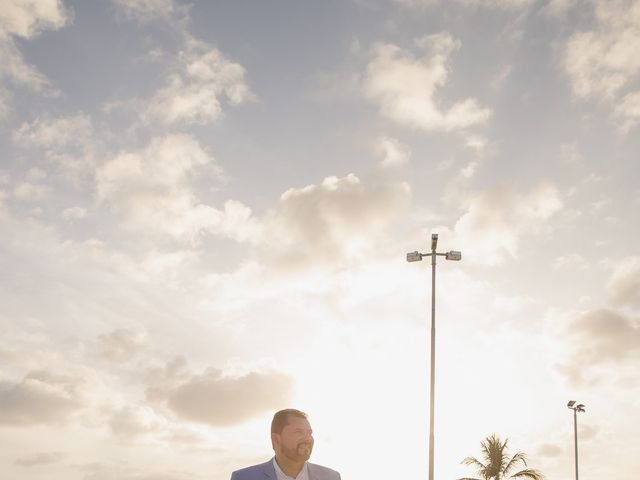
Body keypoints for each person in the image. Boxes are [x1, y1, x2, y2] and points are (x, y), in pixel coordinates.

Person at [230, 408, 341, 480]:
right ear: (276, 439)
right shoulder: (244, 477)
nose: (308, 439)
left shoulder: (331, 477)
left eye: (309, 433)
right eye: (298, 432)